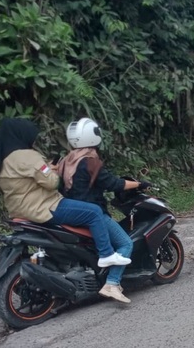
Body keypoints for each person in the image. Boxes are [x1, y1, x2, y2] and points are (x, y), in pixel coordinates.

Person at [0, 118, 131, 271]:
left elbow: (27, 180)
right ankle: (106, 254)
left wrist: (46, 169)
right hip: (44, 207)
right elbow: (52, 183)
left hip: (19, 210)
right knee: (94, 211)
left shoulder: (5, 160)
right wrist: (54, 172)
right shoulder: (28, 156)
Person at [58, 117, 152, 304]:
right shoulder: (90, 162)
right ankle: (112, 283)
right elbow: (113, 184)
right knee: (125, 243)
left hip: (70, 212)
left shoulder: (66, 161)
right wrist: (139, 184)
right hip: (93, 214)